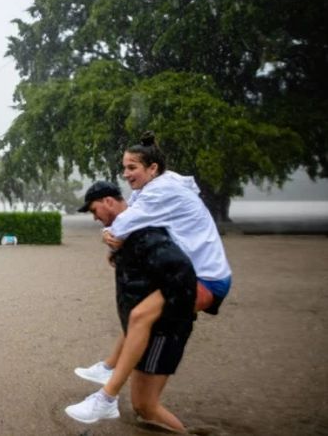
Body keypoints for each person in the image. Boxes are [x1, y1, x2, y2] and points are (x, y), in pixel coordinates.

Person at [74, 136, 233, 389]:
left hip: (206, 280)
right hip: (188, 275)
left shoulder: (162, 190)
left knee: (140, 317)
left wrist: (109, 237)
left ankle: (109, 391)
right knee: (138, 313)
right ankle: (110, 368)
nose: (125, 174)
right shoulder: (148, 191)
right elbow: (124, 221)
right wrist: (109, 236)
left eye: (132, 167)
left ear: (153, 168)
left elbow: (123, 225)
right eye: (124, 167)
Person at [65, 181, 197, 431]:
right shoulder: (127, 232)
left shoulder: (144, 231)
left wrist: (149, 316)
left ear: (109, 201)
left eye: (94, 211)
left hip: (162, 331)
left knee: (147, 405)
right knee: (142, 406)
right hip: (147, 331)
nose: (94, 218)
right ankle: (108, 374)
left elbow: (182, 271)